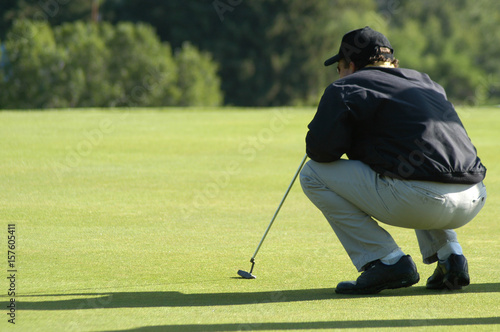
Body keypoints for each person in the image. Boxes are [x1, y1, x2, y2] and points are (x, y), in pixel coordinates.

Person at [300, 26, 487, 295]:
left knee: (312, 174)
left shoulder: (345, 85)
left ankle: (387, 261)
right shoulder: (426, 82)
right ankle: (451, 257)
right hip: (473, 197)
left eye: (338, 66)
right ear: (390, 62)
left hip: (421, 200)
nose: (338, 74)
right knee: (416, 168)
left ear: (350, 65)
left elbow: (320, 154)